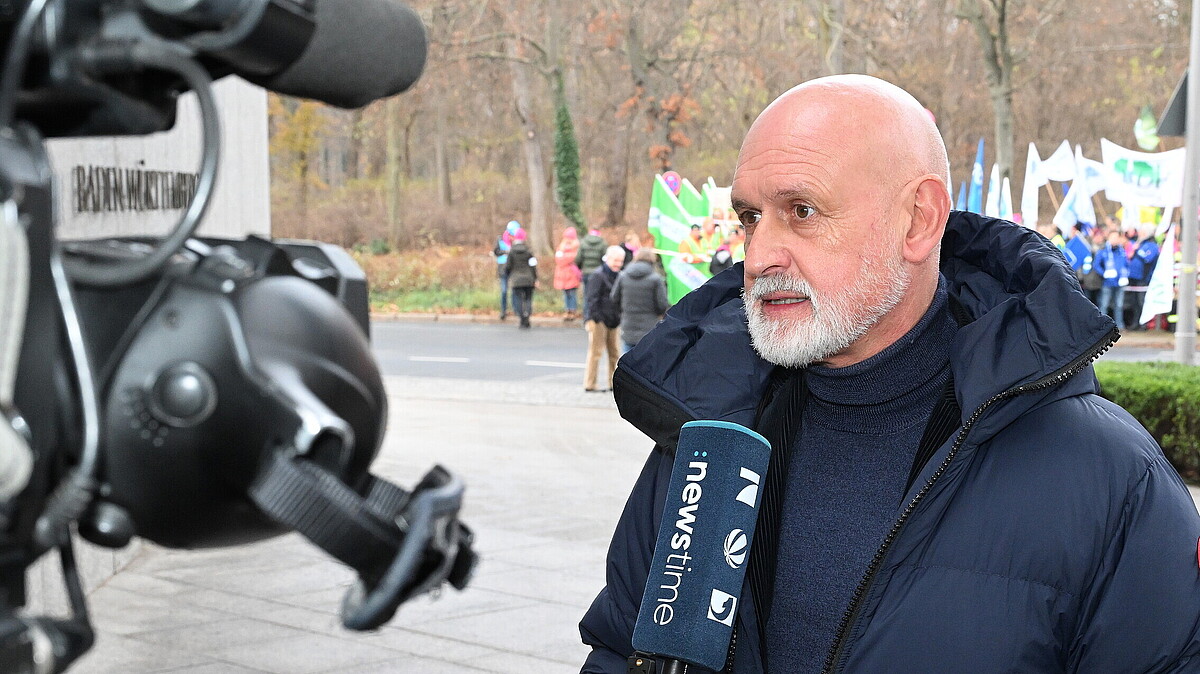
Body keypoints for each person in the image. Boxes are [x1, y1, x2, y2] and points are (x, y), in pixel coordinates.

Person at [580, 75, 1200, 673]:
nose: (759, 255)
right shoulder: (708, 431)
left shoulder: (1110, 478)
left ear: (919, 219)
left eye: (802, 210)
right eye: (749, 217)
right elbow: (619, 650)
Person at [610, 249, 669, 353]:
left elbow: (614, 298)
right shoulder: (655, 279)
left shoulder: (623, 276)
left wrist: (624, 311)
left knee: (627, 358)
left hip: (628, 324)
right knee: (647, 360)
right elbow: (662, 305)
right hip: (649, 326)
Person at [582, 246, 624, 392]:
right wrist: (596, 318)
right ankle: (590, 383)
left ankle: (613, 383)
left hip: (614, 319)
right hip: (598, 319)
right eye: (616, 260)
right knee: (596, 352)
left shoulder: (620, 276)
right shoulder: (598, 275)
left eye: (620, 261)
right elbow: (591, 299)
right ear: (608, 258)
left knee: (615, 353)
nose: (618, 264)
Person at [1124, 224, 1160, 331]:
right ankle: (1135, 323)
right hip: (1133, 278)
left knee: (1141, 302)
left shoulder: (1152, 245)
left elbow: (1148, 258)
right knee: (1134, 302)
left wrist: (1137, 250)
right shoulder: (1139, 243)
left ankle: (1143, 324)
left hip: (1143, 279)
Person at [1093, 228, 1130, 330]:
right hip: (1107, 283)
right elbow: (1096, 265)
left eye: (1116, 237)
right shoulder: (1103, 251)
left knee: (1119, 305)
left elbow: (1126, 264)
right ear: (1108, 238)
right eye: (1112, 237)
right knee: (1104, 304)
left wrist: (1125, 274)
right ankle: (1102, 326)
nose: (1114, 240)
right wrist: (1104, 273)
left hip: (1120, 283)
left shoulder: (1122, 251)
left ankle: (1120, 325)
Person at [504, 228, 537, 329]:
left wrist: (508, 275)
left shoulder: (511, 252)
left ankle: (522, 318)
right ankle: (527, 315)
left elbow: (508, 266)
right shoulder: (529, 251)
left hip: (516, 279)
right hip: (528, 278)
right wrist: (535, 278)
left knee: (518, 299)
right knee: (528, 298)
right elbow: (533, 266)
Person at [491, 220, 520, 320]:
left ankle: (516, 310)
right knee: (504, 290)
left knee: (514, 290)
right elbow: (496, 252)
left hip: (513, 268)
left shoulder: (517, 241)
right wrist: (505, 252)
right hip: (503, 269)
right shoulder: (500, 240)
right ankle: (503, 311)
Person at [554, 226, 583, 318]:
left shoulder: (576, 246)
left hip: (572, 274)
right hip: (562, 275)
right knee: (565, 293)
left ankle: (573, 310)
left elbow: (575, 257)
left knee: (572, 293)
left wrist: (565, 258)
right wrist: (567, 259)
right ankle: (567, 310)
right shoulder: (561, 246)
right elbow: (558, 259)